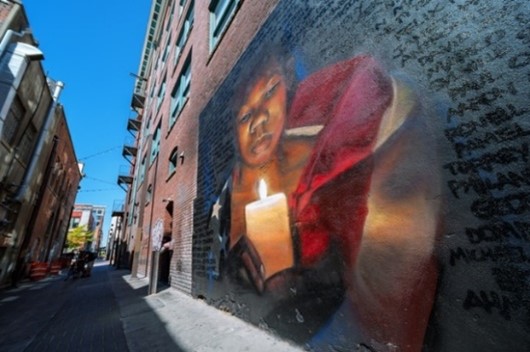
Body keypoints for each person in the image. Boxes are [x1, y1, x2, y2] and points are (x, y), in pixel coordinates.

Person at [210, 51, 442, 351]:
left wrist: (303, 269)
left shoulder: (335, 139)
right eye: (245, 115)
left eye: (271, 91)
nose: (259, 119)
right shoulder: (236, 189)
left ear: (288, 91)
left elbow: (392, 273)